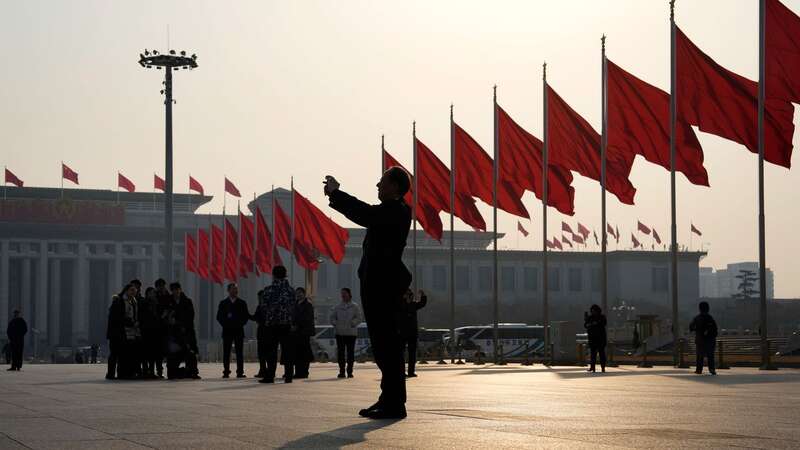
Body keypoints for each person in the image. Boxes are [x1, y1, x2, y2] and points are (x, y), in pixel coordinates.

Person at [325, 168, 412, 419]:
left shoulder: (396, 210)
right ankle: (389, 399)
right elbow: (368, 214)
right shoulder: (393, 210)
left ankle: (394, 403)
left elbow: (365, 214)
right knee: (384, 345)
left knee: (387, 345)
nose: (377, 185)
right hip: (379, 285)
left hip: (383, 286)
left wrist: (336, 194)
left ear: (395, 186)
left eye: (382, 181)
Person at [259, 265, 295, 384]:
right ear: (285, 275)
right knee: (287, 350)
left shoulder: (268, 290)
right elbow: (294, 306)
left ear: (273, 275)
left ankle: (270, 376)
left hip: (272, 324)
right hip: (286, 324)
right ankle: (289, 376)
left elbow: (263, 307)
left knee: (271, 351)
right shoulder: (290, 290)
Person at [164, 282, 201, 380]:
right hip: (173, 335)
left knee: (190, 353)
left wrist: (178, 321)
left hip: (186, 333)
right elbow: (165, 316)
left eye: (177, 289)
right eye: (173, 290)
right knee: (172, 358)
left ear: (180, 289)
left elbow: (190, 317)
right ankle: (179, 372)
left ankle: (193, 372)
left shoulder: (187, 301)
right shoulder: (168, 301)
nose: (175, 292)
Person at [216, 283, 250, 378]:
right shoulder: (223, 303)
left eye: (236, 289)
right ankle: (226, 371)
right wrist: (226, 324)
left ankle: (240, 372)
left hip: (239, 330)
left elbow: (245, 316)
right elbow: (219, 317)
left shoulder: (242, 303)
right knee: (226, 352)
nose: (235, 290)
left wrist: (240, 323)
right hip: (227, 331)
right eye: (233, 289)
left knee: (239, 352)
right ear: (228, 290)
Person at [106, 284, 141, 379]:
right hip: (117, 332)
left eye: (135, 291)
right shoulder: (119, 301)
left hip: (128, 333)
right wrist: (130, 322)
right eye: (131, 290)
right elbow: (116, 318)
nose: (133, 292)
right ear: (126, 290)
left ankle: (122, 373)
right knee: (114, 354)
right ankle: (110, 374)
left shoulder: (133, 302)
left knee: (123, 354)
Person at [330, 287, 362, 378]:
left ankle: (350, 371)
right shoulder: (337, 307)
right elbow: (332, 318)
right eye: (342, 293)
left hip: (351, 333)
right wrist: (336, 324)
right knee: (341, 353)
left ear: (349, 294)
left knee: (350, 353)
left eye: (345, 293)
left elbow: (359, 318)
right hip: (339, 333)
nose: (343, 295)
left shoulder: (355, 306)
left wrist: (353, 323)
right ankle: (342, 371)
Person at [400, 289, 427, 378]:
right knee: (401, 354)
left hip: (412, 332)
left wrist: (423, 296)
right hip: (402, 332)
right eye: (407, 295)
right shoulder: (400, 305)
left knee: (412, 353)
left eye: (410, 295)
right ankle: (401, 372)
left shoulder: (413, 305)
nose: (409, 297)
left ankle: (411, 372)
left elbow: (422, 304)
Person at [291, 287, 315, 379]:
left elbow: (307, 318)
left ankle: (304, 372)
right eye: (297, 293)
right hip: (295, 333)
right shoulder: (294, 305)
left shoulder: (308, 305)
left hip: (304, 333)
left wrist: (297, 325)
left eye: (300, 293)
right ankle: (297, 372)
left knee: (304, 353)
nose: (298, 295)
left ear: (304, 294)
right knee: (297, 353)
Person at [689, 301, 718, 375]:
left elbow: (691, 327)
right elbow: (715, 329)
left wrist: (697, 329)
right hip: (710, 340)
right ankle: (712, 369)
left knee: (699, 356)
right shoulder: (710, 318)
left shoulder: (697, 318)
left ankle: (699, 369)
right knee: (710, 356)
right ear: (708, 308)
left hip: (700, 340)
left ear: (700, 309)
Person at [139, 286, 161, 378]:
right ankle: (145, 371)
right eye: (152, 292)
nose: (154, 294)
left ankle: (151, 372)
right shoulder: (144, 303)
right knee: (145, 353)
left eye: (154, 293)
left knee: (153, 353)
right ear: (147, 293)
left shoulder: (156, 303)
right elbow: (142, 316)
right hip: (146, 331)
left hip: (154, 331)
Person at [153, 278, 172, 378]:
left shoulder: (169, 296)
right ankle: (159, 370)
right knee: (158, 351)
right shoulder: (154, 296)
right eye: (159, 286)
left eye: (162, 286)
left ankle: (169, 369)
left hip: (167, 327)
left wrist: (167, 313)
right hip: (157, 328)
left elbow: (171, 308)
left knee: (168, 350)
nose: (161, 288)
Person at [584, 304, 607, 373]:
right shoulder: (590, 317)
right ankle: (592, 367)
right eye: (592, 311)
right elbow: (585, 325)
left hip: (600, 338)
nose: (593, 312)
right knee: (593, 354)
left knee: (601, 354)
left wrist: (595, 323)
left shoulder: (602, 317)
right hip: (592, 338)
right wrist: (589, 324)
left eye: (594, 310)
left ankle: (603, 367)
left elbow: (604, 323)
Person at [251, 290, 268, 378]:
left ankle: (268, 371)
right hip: (261, 331)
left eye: (260, 297)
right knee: (261, 353)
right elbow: (255, 317)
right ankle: (262, 370)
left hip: (268, 332)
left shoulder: (269, 306)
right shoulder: (259, 306)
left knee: (267, 353)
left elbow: (258, 318)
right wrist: (248, 316)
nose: (259, 299)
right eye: (258, 297)